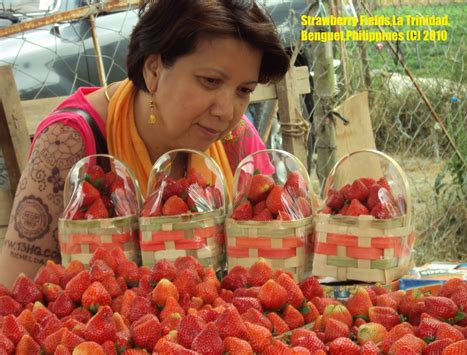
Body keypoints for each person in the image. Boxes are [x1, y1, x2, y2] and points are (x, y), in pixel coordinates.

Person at [0, 0, 289, 286]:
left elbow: (273, 259)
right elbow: (16, 290)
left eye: (244, 90)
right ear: (153, 70)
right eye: (210, 81)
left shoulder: (236, 138)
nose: (226, 111)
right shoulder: (70, 143)